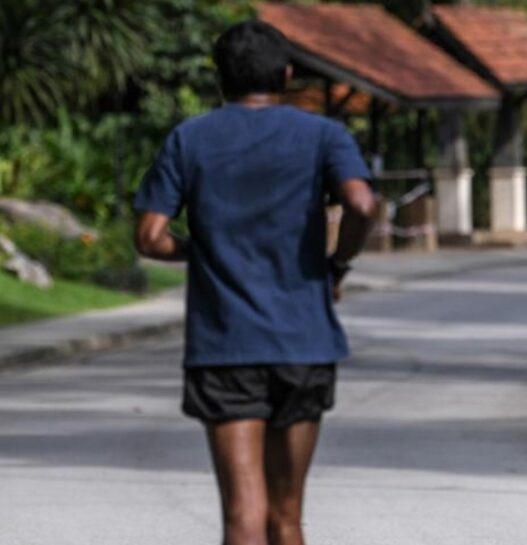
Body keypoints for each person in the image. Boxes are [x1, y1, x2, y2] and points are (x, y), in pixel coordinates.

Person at [133, 20, 376, 545]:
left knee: (243, 515)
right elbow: (361, 203)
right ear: (287, 75)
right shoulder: (324, 135)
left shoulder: (189, 139)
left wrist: (205, 249)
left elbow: (150, 237)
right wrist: (337, 265)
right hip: (304, 344)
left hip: (225, 346)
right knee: (286, 516)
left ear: (220, 79)